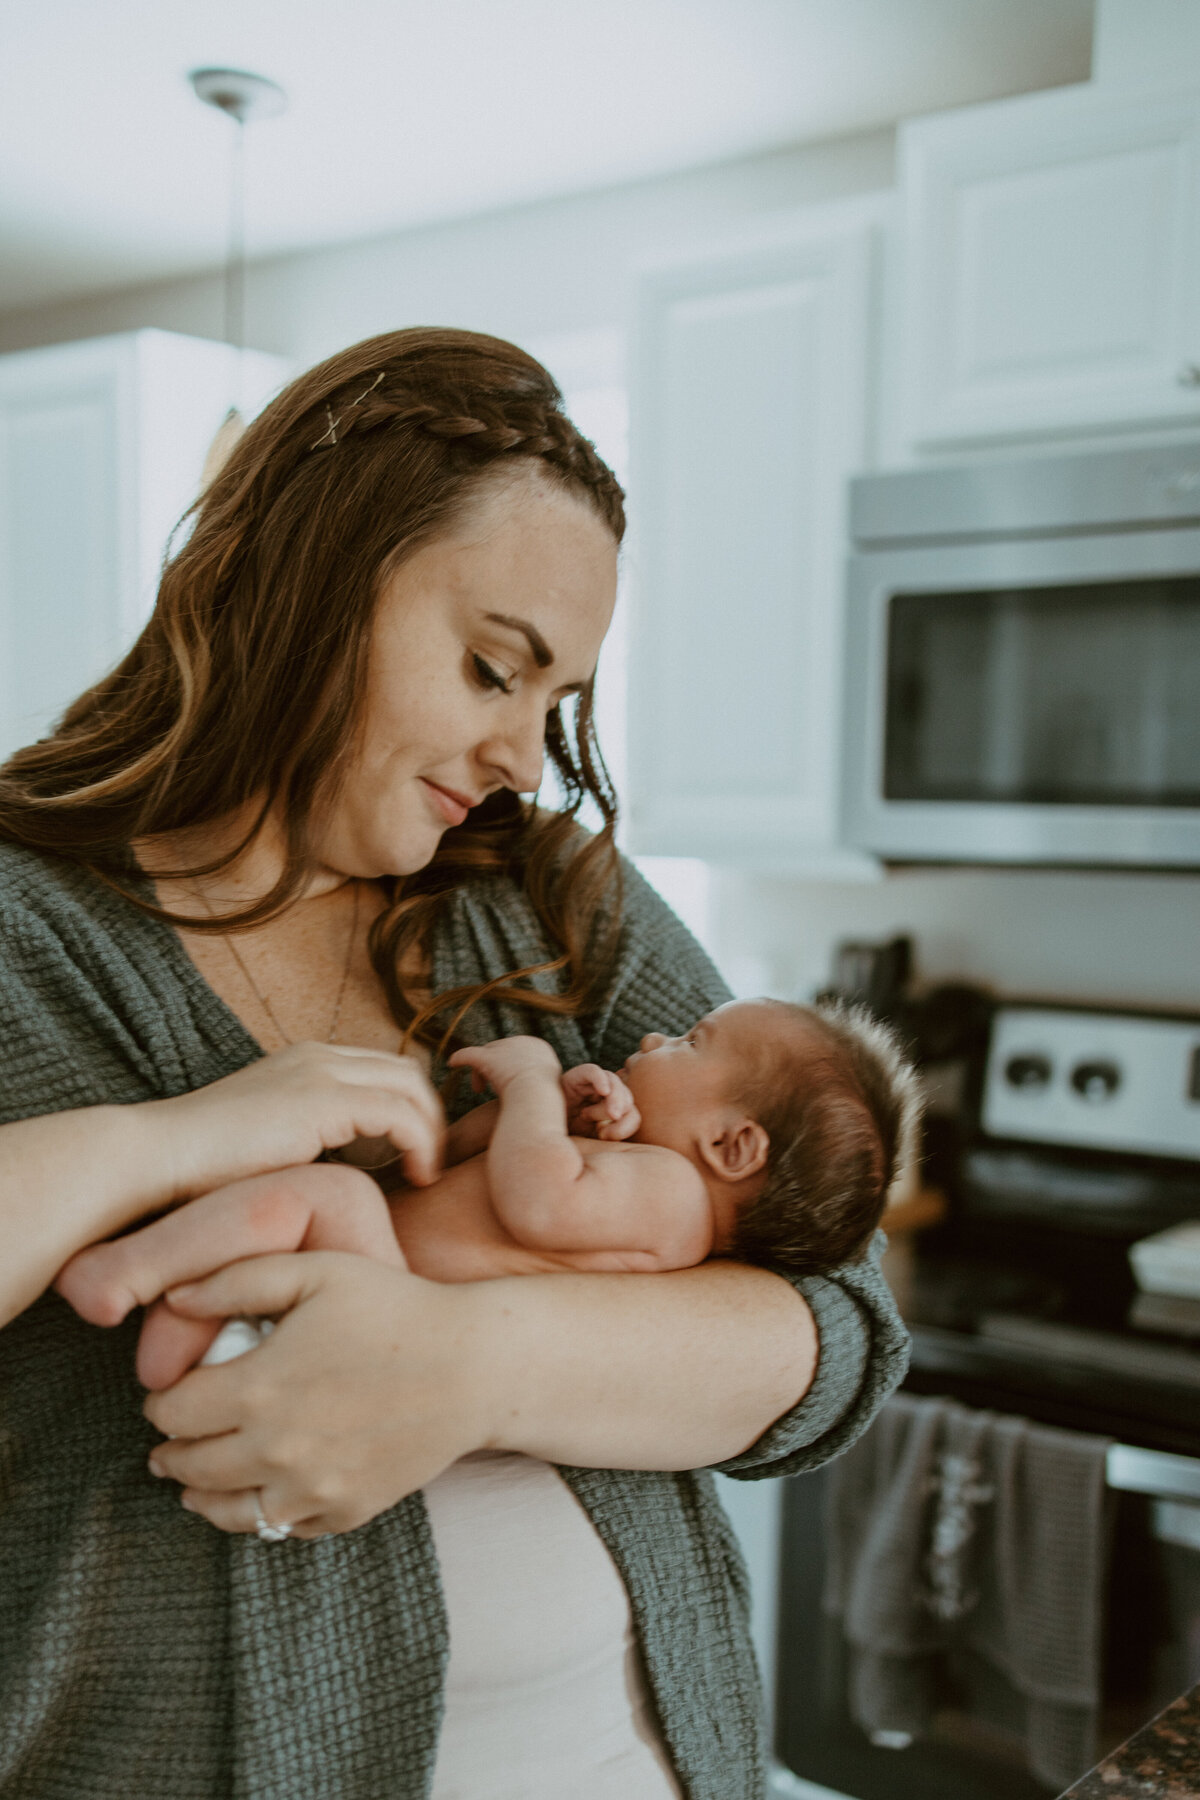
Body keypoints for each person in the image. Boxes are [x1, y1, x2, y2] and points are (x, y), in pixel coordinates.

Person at [0, 326, 910, 1800]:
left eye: (552, 704)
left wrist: (470, 1367)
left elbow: (843, 1330)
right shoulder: (25, 928)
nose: (521, 755)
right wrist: (176, 1136)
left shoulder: (546, 895)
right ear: (307, 572)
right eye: (493, 667)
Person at [56, 996, 921, 1392]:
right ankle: (164, 1356)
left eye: (692, 1042)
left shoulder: (672, 1201)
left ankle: (125, 1271)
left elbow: (536, 1204)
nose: (656, 1035)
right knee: (304, 1212)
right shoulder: (638, 1172)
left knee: (328, 1198)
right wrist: (532, 1113)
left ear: (734, 1146)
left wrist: (537, 1082)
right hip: (362, 1285)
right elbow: (460, 1167)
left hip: (382, 1300)